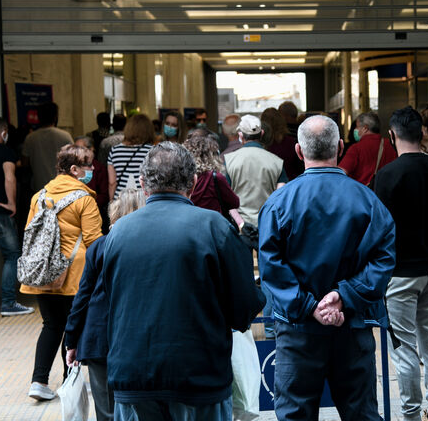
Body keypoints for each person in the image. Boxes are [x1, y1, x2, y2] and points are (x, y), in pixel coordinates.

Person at [101, 142, 265, 419]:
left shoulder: (118, 233)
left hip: (133, 377)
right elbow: (243, 309)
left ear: (142, 184)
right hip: (199, 377)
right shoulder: (214, 227)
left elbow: (111, 300)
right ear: (193, 182)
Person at [259, 115, 396, 421]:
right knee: (361, 413)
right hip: (352, 325)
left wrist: (310, 306)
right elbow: (383, 260)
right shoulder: (368, 201)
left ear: (297, 151)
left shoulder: (279, 202)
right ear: (341, 146)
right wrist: (343, 296)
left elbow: (271, 266)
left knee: (295, 414)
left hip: (297, 330)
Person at [374, 107, 428, 421]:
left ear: (392, 135)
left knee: (404, 348)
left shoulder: (387, 176)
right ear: (422, 133)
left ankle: (410, 413)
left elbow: (379, 230)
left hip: (400, 276)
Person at [22, 144, 103, 401]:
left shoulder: (39, 197)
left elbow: (29, 233)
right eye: (88, 165)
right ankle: (72, 381)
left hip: (43, 273)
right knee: (72, 328)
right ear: (74, 169)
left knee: (50, 325)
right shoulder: (84, 199)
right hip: (75, 274)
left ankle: (39, 381)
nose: (91, 170)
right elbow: (94, 241)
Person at [64, 188, 145, 421]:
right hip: (136, 336)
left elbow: (83, 297)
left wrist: (72, 339)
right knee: (140, 404)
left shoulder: (100, 246)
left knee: (107, 409)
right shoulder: (149, 246)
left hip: (99, 337)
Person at [223, 115, 287, 339]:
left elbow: (227, 199)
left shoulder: (228, 161)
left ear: (240, 136)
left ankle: (246, 327)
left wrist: (240, 222)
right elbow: (280, 197)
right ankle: (270, 328)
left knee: (243, 277)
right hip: (268, 227)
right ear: (261, 135)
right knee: (269, 277)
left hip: (240, 227)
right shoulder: (276, 161)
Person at [0, 116, 33, 316]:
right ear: (3, 132)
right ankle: (7, 302)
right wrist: (11, 203)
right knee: (13, 255)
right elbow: (9, 178)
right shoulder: (6, 152)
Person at [183, 133, 244, 229]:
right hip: (212, 228)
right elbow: (235, 202)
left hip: (189, 226)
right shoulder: (215, 178)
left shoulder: (182, 178)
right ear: (210, 155)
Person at [21, 102, 74, 193]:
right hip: (61, 187)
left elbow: (24, 163)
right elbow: (74, 160)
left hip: (39, 188)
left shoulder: (30, 138)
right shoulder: (65, 136)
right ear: (55, 117)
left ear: (38, 117)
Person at [339, 112, 397, 186]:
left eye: (357, 127)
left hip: (362, 194)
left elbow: (340, 173)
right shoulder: (391, 145)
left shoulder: (356, 149)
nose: (355, 130)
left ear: (365, 128)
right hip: (386, 194)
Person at [107, 114, 155, 200]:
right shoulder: (152, 151)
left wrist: (111, 202)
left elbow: (112, 183)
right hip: (144, 199)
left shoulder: (115, 150)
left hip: (121, 199)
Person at [75, 136, 109, 229]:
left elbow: (104, 194)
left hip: (94, 213)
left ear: (91, 150)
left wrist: (89, 205)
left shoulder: (98, 168)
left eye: (81, 149)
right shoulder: (72, 168)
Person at [262, 107, 304, 180]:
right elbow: (299, 167)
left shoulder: (263, 144)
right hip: (290, 182)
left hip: (268, 184)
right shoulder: (291, 142)